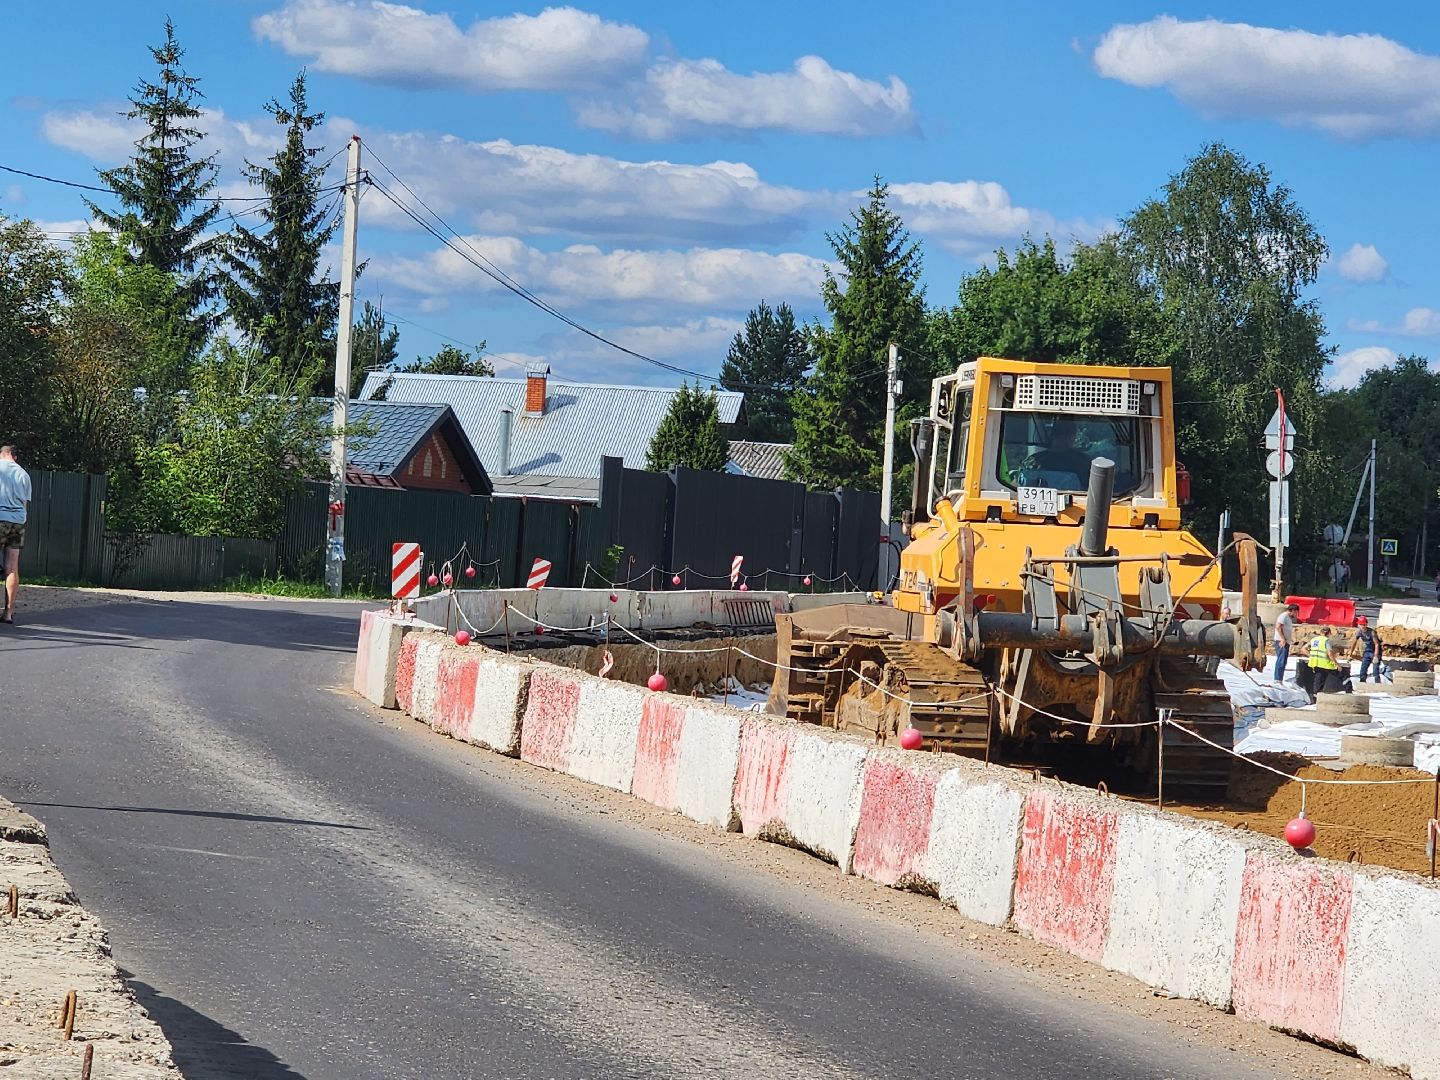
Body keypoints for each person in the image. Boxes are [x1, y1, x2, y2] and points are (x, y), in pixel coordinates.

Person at [0, 445, 30, 625]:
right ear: (15, 457)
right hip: (18, 522)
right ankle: (8, 613)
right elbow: (24, 504)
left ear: (2, 454)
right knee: (11, 567)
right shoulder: (23, 474)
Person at [1306, 625, 1345, 696]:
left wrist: (1311, 656)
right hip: (1325, 664)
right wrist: (1337, 664)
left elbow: (1303, 649)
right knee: (1342, 674)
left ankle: (1316, 695)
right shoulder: (1326, 641)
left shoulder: (1314, 640)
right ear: (1329, 633)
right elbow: (1330, 654)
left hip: (1315, 663)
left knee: (1318, 680)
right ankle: (1348, 690)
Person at [1351, 615, 1383, 683]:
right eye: (1360, 625)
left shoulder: (1371, 632)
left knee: (1375, 670)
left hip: (1375, 651)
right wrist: (1350, 653)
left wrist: (1376, 656)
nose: (1362, 626)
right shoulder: (1359, 632)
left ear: (1366, 624)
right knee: (1363, 668)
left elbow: (1377, 644)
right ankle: (1362, 682)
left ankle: (1377, 684)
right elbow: (1354, 642)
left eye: (1363, 625)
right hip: (1368, 651)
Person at [1273, 602, 1299, 682]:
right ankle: (1277, 679)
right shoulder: (1284, 616)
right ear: (1293, 611)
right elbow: (1278, 627)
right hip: (1281, 641)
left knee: (1283, 660)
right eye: (1296, 612)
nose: (1296, 614)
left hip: (1286, 641)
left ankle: (1279, 678)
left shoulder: (1288, 618)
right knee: (1281, 660)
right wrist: (1282, 638)